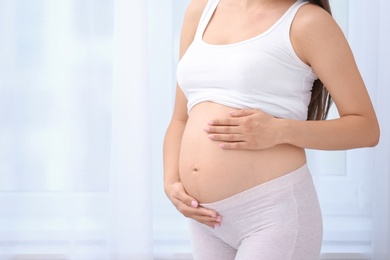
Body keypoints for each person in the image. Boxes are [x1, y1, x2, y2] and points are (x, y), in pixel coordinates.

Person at [163, 0, 380, 259]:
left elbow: (366, 128)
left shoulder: (308, 22)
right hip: (206, 220)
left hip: (273, 215)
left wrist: (280, 130)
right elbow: (180, 118)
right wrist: (171, 181)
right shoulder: (201, 10)